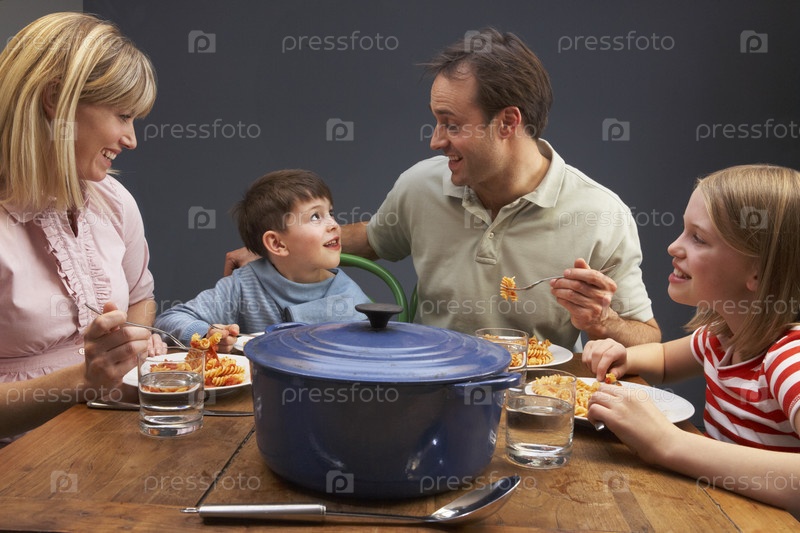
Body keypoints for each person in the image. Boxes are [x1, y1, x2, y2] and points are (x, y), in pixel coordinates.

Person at [225, 29, 660, 349]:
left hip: (529, 402)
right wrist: (277, 250)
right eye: (436, 121)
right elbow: (373, 239)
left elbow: (648, 338)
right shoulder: (422, 184)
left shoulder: (601, 214)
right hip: (429, 384)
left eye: (451, 124)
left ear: (507, 123)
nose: (435, 141)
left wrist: (603, 321)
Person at [583, 165, 800, 513]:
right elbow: (664, 361)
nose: (673, 246)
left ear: (758, 272)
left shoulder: (788, 359)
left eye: (698, 238)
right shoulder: (722, 337)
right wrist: (625, 357)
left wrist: (668, 443)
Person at [0, 13, 164, 440]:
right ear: (56, 99)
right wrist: (84, 379)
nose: (131, 139)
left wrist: (131, 344)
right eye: (123, 115)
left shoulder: (113, 200)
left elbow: (141, 298)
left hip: (109, 435)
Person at [155, 169, 371, 353]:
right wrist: (207, 334)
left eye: (330, 213)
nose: (334, 224)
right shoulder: (244, 285)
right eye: (316, 216)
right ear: (277, 244)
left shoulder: (350, 298)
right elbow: (169, 320)